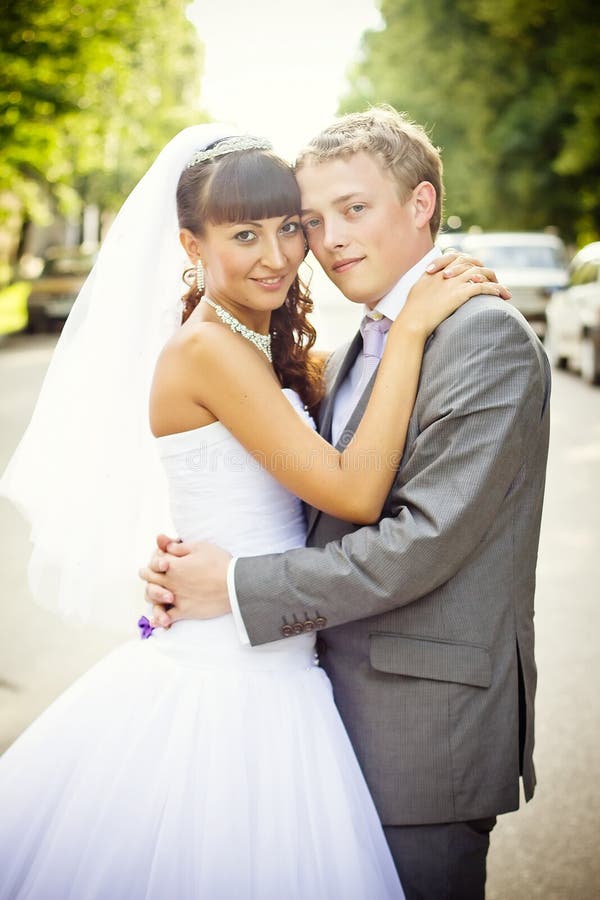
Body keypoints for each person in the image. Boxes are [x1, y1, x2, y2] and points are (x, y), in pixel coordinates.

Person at [0, 124, 499, 899]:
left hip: (277, 661)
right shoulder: (208, 351)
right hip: (231, 677)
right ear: (190, 245)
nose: (278, 255)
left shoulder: (256, 346)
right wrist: (409, 330)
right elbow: (353, 491)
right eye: (244, 234)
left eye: (290, 227)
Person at [142, 107, 552, 900]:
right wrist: (187, 565)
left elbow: (420, 541)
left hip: (418, 736)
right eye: (314, 219)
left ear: (422, 204)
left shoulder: (480, 337)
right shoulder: (362, 343)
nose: (325, 242)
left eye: (353, 209)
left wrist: (232, 585)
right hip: (313, 706)